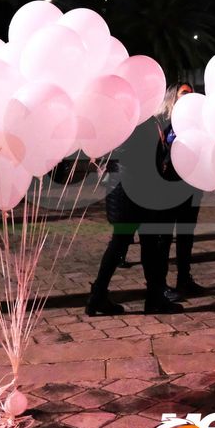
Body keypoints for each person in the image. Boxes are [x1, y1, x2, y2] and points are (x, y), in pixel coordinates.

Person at [86, 118, 182, 316]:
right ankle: (153, 298)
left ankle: (97, 296)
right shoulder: (141, 122)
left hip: (123, 189)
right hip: (139, 190)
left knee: (121, 244)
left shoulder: (122, 122)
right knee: (148, 245)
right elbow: (150, 157)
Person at [155, 83, 205, 295]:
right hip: (168, 186)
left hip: (191, 187)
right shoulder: (164, 122)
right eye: (184, 92)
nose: (189, 96)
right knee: (164, 237)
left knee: (186, 234)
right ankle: (160, 284)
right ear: (174, 98)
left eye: (191, 93)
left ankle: (184, 279)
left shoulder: (199, 123)